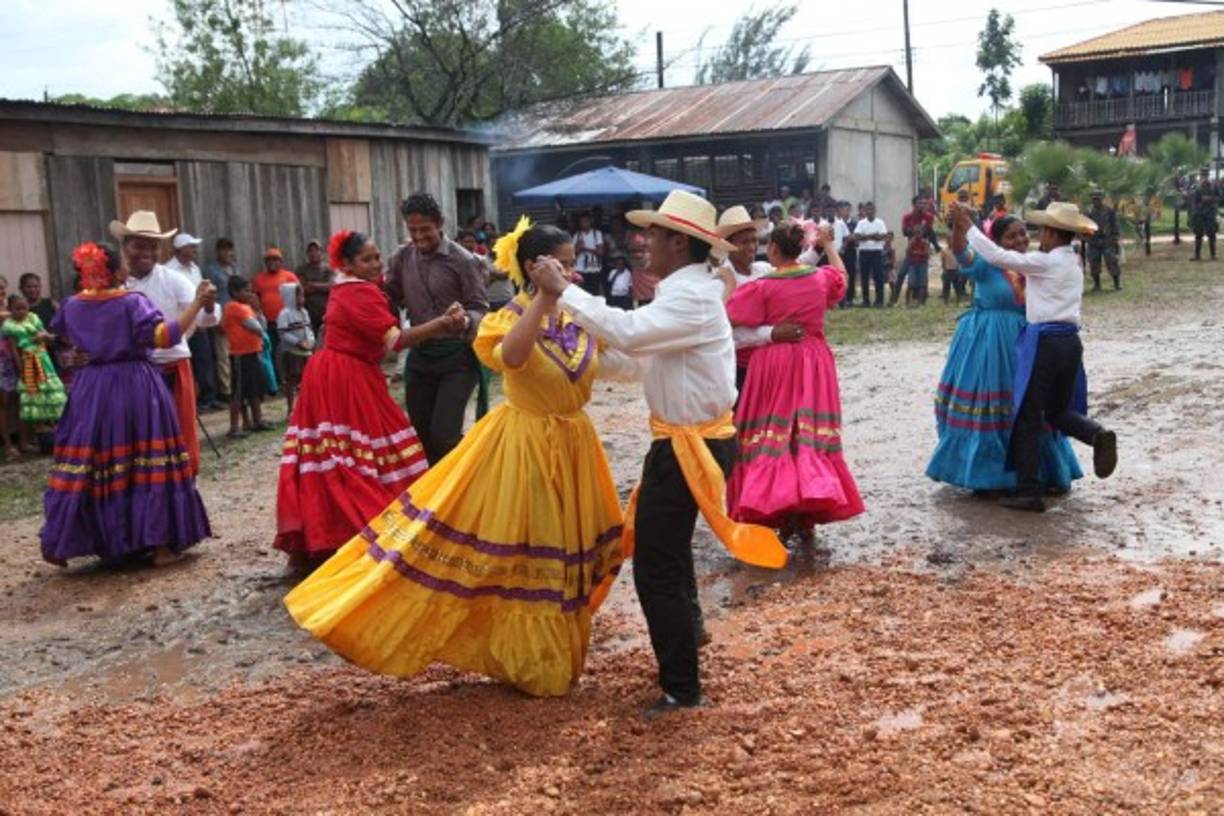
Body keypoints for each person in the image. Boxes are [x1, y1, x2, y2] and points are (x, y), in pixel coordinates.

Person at [285, 221, 625, 697]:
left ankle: (560, 655)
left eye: (571, 263)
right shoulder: (509, 317)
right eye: (561, 263)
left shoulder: (580, 316)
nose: (571, 271)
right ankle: (530, 661)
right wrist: (546, 298)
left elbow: (622, 354)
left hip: (574, 445)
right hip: (525, 446)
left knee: (565, 547)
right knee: (528, 545)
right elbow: (512, 357)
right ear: (533, 268)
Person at [529, 190, 788, 718]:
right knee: (666, 553)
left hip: (689, 443)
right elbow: (637, 357)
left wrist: (566, 295)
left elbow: (628, 332)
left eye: (652, 235)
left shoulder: (689, 296)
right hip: (682, 439)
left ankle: (683, 687)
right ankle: (688, 640)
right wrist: (573, 354)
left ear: (677, 241)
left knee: (653, 564)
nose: (642, 243)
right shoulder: (682, 291)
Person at [277, 230, 450, 565]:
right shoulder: (359, 293)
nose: (375, 264)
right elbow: (395, 342)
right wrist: (441, 324)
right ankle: (360, 533)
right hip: (347, 376)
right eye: (367, 259)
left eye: (376, 257)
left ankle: (324, 538)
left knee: (335, 455)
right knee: (352, 459)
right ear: (349, 264)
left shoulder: (346, 288)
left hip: (331, 371)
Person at [41, 241, 211, 567]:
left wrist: (76, 355)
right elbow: (165, 337)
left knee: (97, 460)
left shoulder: (73, 305)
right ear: (119, 270)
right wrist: (197, 304)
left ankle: (106, 542)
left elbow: (65, 343)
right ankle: (160, 545)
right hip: (135, 387)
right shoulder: (132, 302)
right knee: (148, 460)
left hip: (91, 389)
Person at [952, 201, 1118, 512]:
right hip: (1070, 343)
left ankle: (1028, 490)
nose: (1038, 236)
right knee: (1056, 412)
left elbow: (997, 256)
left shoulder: (1046, 261)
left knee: (1028, 415)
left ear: (1054, 234)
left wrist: (968, 222)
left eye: (1042, 230)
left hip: (1046, 342)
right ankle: (1096, 434)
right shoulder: (1074, 260)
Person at [726, 220, 864, 544]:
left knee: (773, 434)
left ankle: (778, 507)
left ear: (772, 249)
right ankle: (807, 512)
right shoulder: (819, 278)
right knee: (806, 434)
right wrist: (829, 246)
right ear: (801, 248)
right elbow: (841, 277)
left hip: (773, 362)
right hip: (813, 361)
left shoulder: (762, 286)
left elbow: (731, 316)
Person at [926, 213, 1083, 494]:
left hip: (1028, 341)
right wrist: (960, 226)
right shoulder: (987, 263)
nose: (1020, 240)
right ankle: (988, 476)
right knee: (992, 404)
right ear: (995, 242)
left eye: (1023, 233)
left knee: (1031, 407)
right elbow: (961, 252)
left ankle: (1040, 474)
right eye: (1011, 236)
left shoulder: (1034, 263)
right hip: (988, 342)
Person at [386, 193, 490, 465]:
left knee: (444, 435)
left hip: (458, 358)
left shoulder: (464, 260)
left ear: (440, 223)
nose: (419, 237)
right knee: (420, 436)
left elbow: (480, 307)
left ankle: (465, 483)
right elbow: (389, 298)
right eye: (413, 230)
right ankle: (434, 497)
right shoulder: (401, 258)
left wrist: (466, 320)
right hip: (420, 356)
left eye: (425, 230)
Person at [113, 211, 220, 477]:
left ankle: (184, 491)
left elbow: (210, 318)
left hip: (171, 365)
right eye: (139, 245)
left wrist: (206, 305)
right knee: (137, 437)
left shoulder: (173, 280)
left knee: (180, 432)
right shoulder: (116, 284)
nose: (146, 252)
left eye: (153, 246)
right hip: (131, 371)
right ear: (125, 247)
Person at [714, 205, 803, 394]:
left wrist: (820, 247)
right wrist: (772, 333)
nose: (752, 247)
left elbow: (795, 270)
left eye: (754, 240)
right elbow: (726, 332)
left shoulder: (763, 270)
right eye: (744, 242)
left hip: (769, 363)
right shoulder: (720, 280)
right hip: (737, 368)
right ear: (728, 246)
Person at [165, 233, 221, 411]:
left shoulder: (194, 268)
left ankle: (208, 397)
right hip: (181, 324)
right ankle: (190, 401)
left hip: (199, 321)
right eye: (191, 247)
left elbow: (201, 294)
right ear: (180, 249)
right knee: (185, 363)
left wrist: (203, 316)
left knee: (204, 360)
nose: (195, 250)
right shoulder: (169, 271)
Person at [2, 293, 66, 430]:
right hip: (27, 361)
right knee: (33, 393)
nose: (21, 312)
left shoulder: (33, 318)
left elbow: (47, 336)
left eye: (24, 308)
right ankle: (38, 428)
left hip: (43, 358)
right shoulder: (10, 326)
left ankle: (51, 425)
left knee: (47, 389)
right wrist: (21, 369)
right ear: (10, 309)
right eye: (17, 309)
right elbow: (14, 350)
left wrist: (44, 336)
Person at [221, 276, 271, 438]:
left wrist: (257, 311)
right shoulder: (234, 307)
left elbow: (260, 325)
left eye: (250, 290)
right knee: (238, 392)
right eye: (245, 290)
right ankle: (235, 426)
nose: (249, 294)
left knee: (254, 388)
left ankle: (256, 420)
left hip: (251, 352)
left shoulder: (246, 307)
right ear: (234, 292)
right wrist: (257, 314)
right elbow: (257, 327)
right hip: (240, 355)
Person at [203, 238, 239, 400]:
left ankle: (239, 385)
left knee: (239, 351)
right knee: (223, 354)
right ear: (218, 252)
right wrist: (216, 318)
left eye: (229, 249)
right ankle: (226, 390)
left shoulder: (234, 268)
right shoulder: (211, 271)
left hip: (238, 315)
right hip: (222, 315)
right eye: (223, 250)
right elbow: (210, 295)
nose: (227, 253)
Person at [251, 247, 300, 362]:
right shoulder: (258, 279)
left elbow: (299, 295)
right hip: (268, 323)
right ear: (265, 262)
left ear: (281, 262)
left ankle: (291, 377)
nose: (272, 262)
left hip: (288, 322)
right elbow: (253, 298)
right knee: (271, 350)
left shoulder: (289, 276)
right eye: (269, 260)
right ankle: (277, 378)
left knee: (290, 350)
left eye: (275, 259)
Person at [275, 281, 315, 415]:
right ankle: (290, 408)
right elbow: (283, 332)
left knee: (307, 380)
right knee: (291, 380)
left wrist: (310, 342)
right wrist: (298, 342)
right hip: (292, 352)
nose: (302, 299)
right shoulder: (285, 314)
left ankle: (307, 406)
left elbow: (308, 329)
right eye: (299, 296)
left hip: (306, 351)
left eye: (303, 296)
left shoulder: (304, 312)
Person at [0, 276, 22, 458]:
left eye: (3, 289)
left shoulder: (8, 307)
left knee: (17, 400)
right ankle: (7, 444)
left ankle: (22, 440)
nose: (1, 292)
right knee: (4, 403)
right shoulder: (8, 312)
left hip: (11, 359)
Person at [853, 202, 888, 307]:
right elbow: (857, 236)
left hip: (876, 252)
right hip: (864, 252)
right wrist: (873, 236)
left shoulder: (880, 222)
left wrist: (866, 237)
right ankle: (866, 301)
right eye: (867, 209)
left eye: (871, 209)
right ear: (865, 211)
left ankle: (879, 301)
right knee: (864, 277)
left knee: (878, 277)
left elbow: (883, 236)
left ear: (875, 210)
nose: (869, 211)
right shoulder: (861, 223)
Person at [1085, 190, 1122, 290]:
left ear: (1102, 199)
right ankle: (1097, 285)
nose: (1096, 201)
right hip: (1093, 241)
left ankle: (1116, 284)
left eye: (1098, 199)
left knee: (1112, 261)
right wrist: (1086, 238)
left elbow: (1115, 225)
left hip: (1107, 240)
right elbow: (1084, 226)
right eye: (1094, 199)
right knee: (1094, 263)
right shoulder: (1089, 212)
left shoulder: (1109, 211)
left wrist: (1115, 238)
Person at [294, 239, 331, 337]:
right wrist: (322, 286)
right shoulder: (301, 270)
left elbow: (332, 287)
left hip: (326, 312)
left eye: (316, 250)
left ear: (321, 252)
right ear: (307, 253)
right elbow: (301, 289)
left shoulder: (328, 269)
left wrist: (313, 285)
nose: (313, 253)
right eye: (310, 250)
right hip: (307, 313)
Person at [572, 212, 606, 295]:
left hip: (593, 268)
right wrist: (578, 249)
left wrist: (585, 248)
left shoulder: (597, 234)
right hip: (579, 269)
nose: (584, 223)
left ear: (590, 221)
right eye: (581, 221)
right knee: (581, 294)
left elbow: (601, 252)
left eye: (586, 221)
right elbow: (572, 254)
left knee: (594, 294)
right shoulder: (577, 235)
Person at [1189, 172, 1219, 262]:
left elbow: (1219, 197)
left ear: (1208, 176)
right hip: (1199, 213)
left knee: (1212, 234)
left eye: (1206, 176)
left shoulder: (1214, 187)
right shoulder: (1196, 188)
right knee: (1198, 234)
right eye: (1203, 176)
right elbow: (1194, 200)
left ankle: (1213, 255)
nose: (1204, 178)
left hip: (1210, 213)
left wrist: (1210, 198)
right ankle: (1197, 255)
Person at [628, 231, 658, 306]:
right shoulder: (635, 256)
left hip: (652, 281)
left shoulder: (649, 254)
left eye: (641, 245)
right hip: (640, 282)